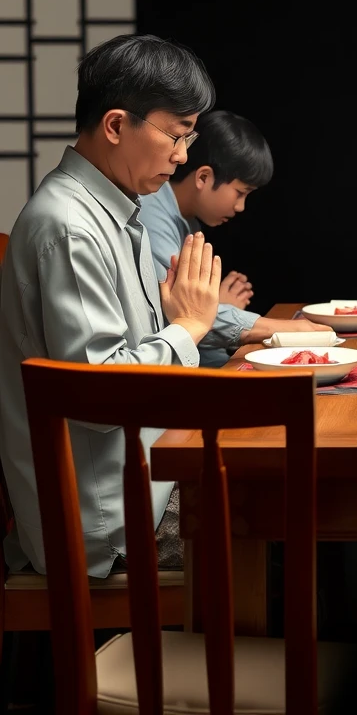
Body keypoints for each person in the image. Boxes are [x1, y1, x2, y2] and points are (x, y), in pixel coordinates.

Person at [0, 34, 221, 577]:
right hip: (109, 522)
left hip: (134, 477)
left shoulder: (113, 209)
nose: (183, 155)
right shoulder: (71, 225)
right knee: (275, 524)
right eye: (175, 135)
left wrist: (172, 323)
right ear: (117, 125)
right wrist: (187, 329)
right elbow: (100, 397)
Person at [139, 109, 330, 367]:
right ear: (203, 177)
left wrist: (215, 306)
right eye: (241, 192)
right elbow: (179, 314)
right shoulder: (152, 213)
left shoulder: (185, 219)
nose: (241, 207)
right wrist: (279, 327)